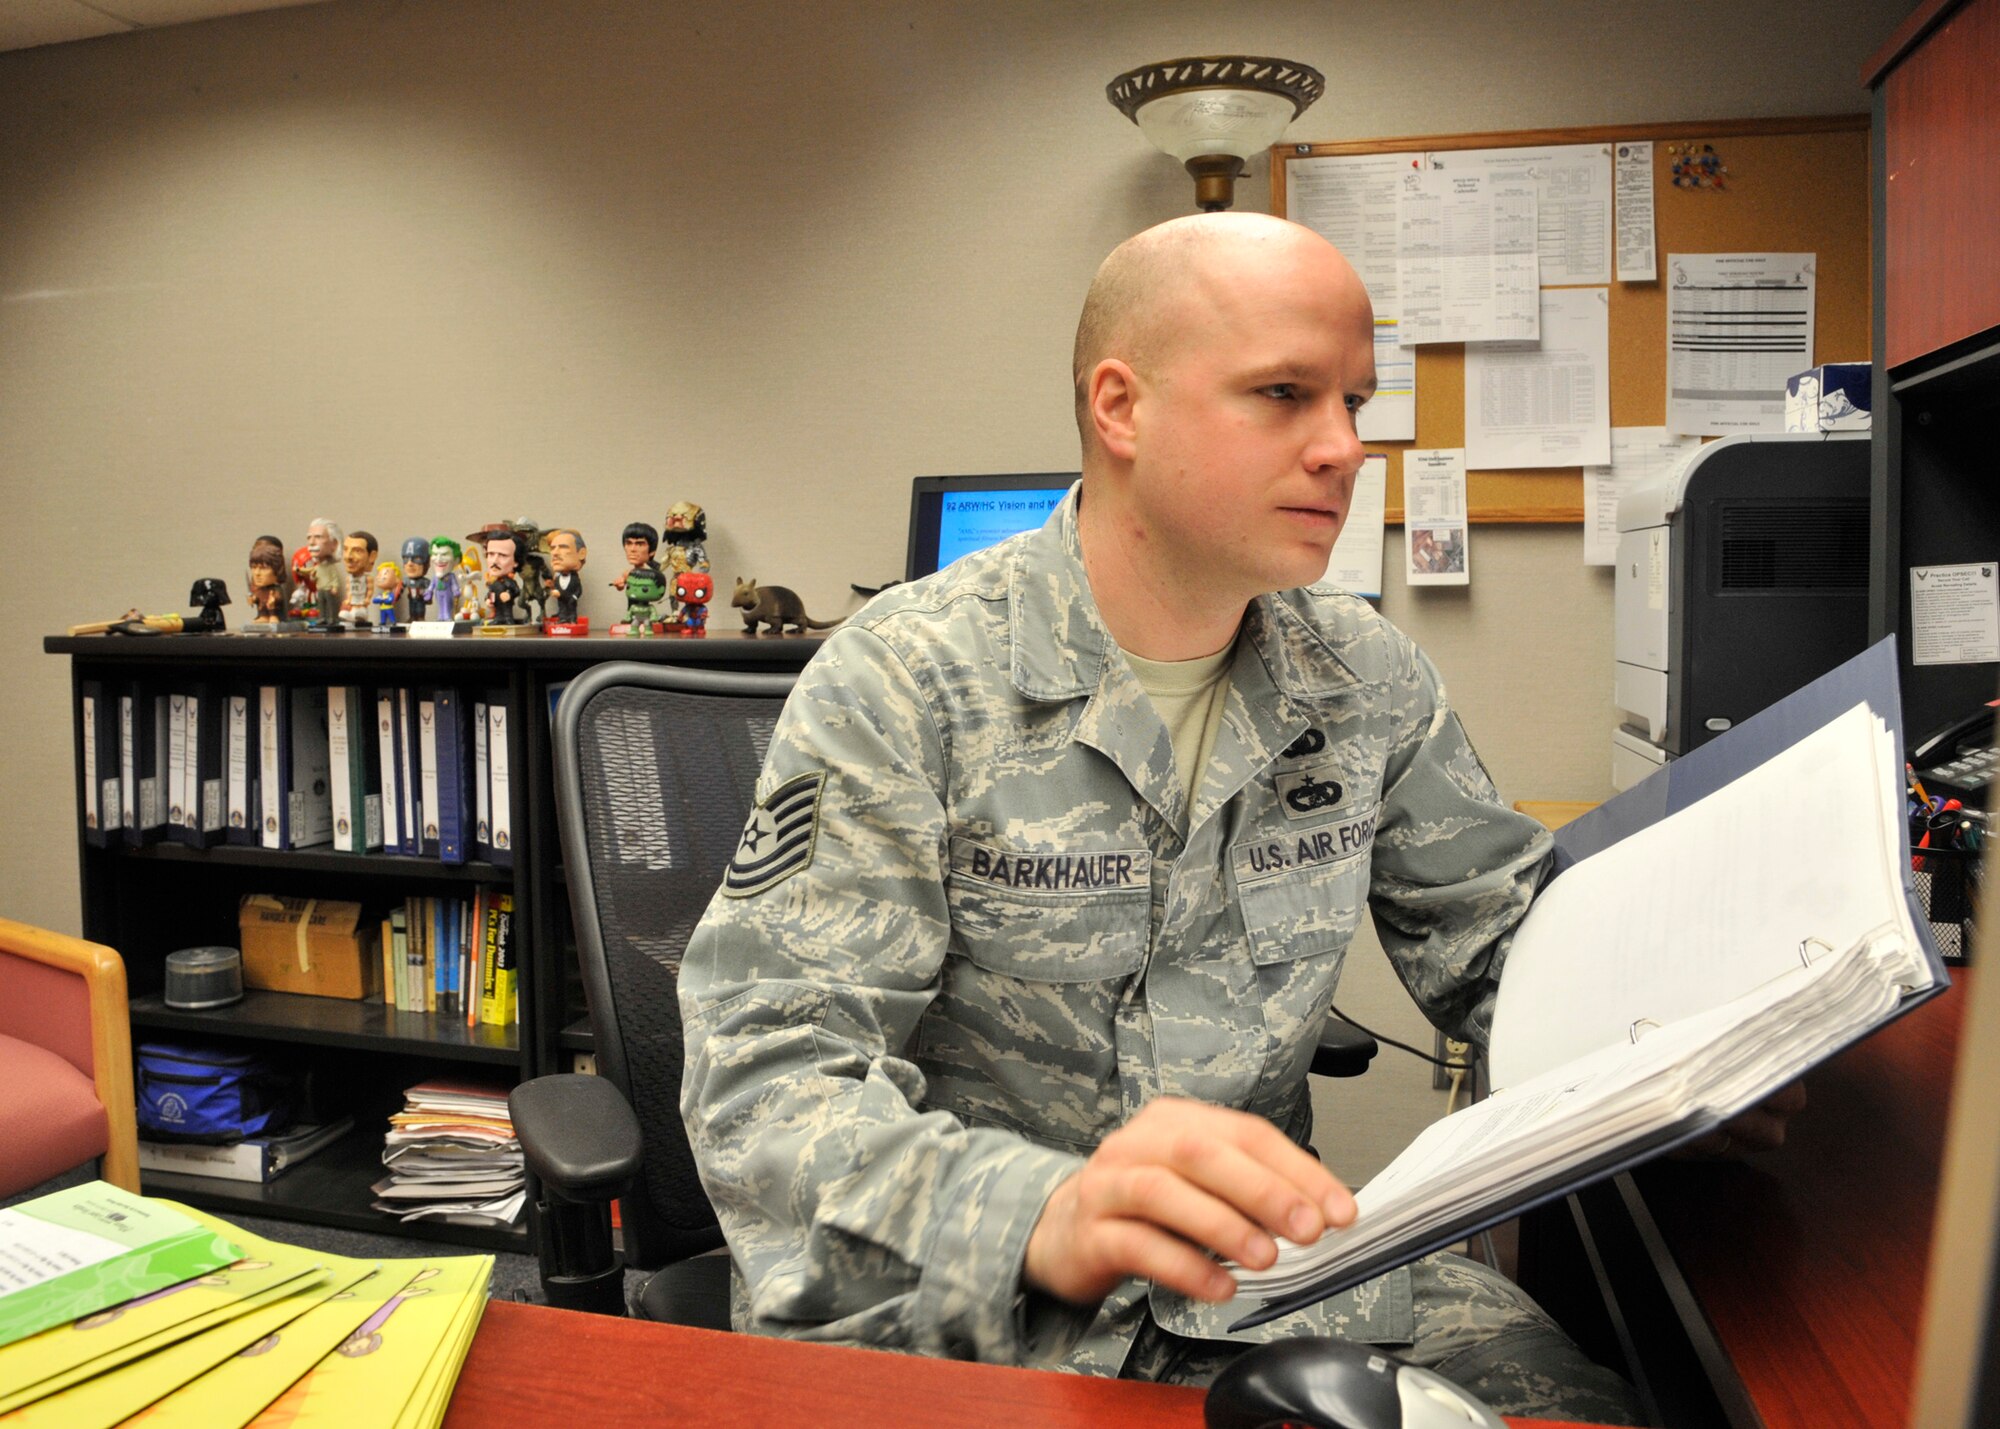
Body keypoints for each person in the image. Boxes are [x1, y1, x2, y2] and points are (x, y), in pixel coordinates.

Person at [678, 215, 1780, 1419]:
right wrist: (1049, 1209)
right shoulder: (903, 679)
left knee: (1590, 1411)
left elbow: (1499, 941)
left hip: (1266, 1280)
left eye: (1353, 403)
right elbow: (767, 1085)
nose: (1344, 449)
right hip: (972, 1304)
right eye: (1283, 395)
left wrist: (1681, 1045)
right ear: (1121, 408)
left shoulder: (1360, 677)